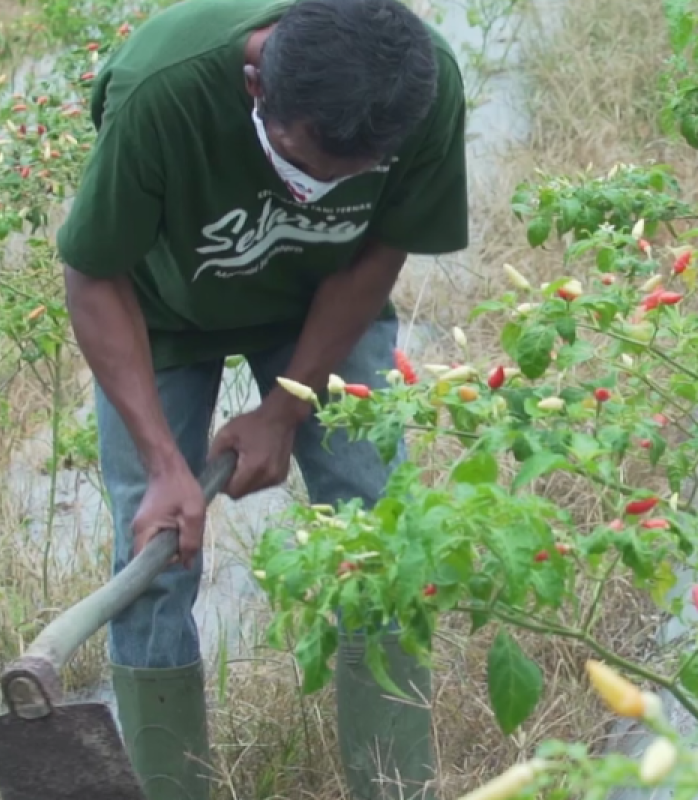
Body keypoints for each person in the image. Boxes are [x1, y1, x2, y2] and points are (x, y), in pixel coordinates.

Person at [54, 0, 468, 797]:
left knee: (376, 523)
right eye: (299, 160)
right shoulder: (160, 88)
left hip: (324, 300)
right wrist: (165, 462)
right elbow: (94, 274)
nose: (315, 195)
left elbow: (380, 246)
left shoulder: (420, 86)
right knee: (155, 543)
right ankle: (171, 784)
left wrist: (285, 407)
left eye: (345, 179)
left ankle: (394, 782)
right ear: (255, 85)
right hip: (165, 312)